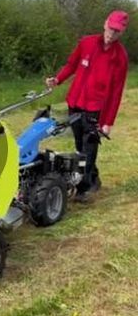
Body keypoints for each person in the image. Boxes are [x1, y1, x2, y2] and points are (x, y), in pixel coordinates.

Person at [45, 10, 129, 201]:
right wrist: (57, 79)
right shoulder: (87, 43)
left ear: (121, 32)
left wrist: (108, 121)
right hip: (75, 102)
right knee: (78, 145)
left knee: (88, 149)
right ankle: (94, 178)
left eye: (117, 31)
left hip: (95, 108)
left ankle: (83, 188)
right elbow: (71, 65)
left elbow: (116, 92)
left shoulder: (120, 57)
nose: (112, 33)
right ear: (105, 23)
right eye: (110, 28)